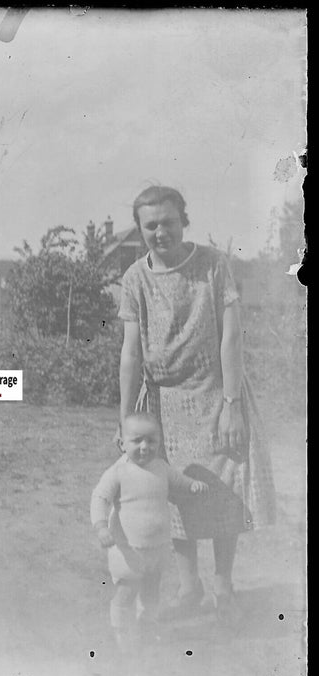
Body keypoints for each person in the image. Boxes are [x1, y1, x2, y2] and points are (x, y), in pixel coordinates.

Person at [118, 185, 276, 625]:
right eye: (150, 225)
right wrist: (126, 417)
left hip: (215, 392)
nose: (160, 232)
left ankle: (223, 582)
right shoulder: (135, 279)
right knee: (174, 494)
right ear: (141, 230)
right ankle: (190, 588)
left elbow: (230, 336)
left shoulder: (213, 266)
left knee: (225, 487)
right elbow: (130, 352)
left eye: (168, 221)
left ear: (183, 220)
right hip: (164, 403)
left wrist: (231, 404)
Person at [91, 413, 208, 651]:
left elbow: (179, 481)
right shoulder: (118, 472)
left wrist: (192, 485)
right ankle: (122, 634)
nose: (145, 447)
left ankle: (148, 628)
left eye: (152, 441)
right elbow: (99, 498)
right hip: (128, 549)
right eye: (137, 441)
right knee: (127, 591)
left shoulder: (161, 467)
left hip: (157, 546)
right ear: (122, 443)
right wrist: (101, 526)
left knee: (152, 591)